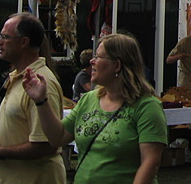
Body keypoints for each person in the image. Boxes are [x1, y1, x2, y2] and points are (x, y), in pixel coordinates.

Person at [23, 33, 168, 183]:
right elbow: (57, 137)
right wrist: (41, 101)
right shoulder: (88, 100)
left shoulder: (147, 107)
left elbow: (150, 163)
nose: (92, 61)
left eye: (98, 57)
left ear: (117, 65)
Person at [0, 13, 67, 184]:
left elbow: (47, 146)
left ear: (24, 42)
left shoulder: (41, 84)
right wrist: (3, 131)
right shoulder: (17, 77)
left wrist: (0, 152)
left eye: (5, 37)